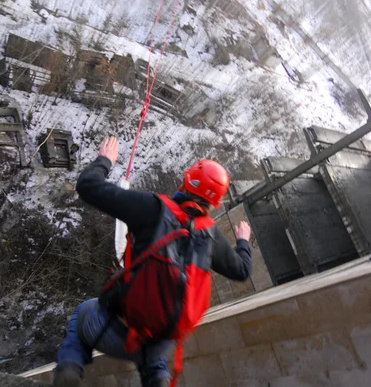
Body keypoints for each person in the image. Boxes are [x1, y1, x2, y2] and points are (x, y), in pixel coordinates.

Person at [53, 136, 253, 387]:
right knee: (153, 346)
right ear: (215, 202)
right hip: (162, 344)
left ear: (186, 180)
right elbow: (242, 270)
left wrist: (105, 160)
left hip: (118, 334)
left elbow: (88, 186)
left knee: (82, 313)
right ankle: (157, 377)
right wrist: (243, 242)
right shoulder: (211, 235)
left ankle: (70, 367)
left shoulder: (153, 209)